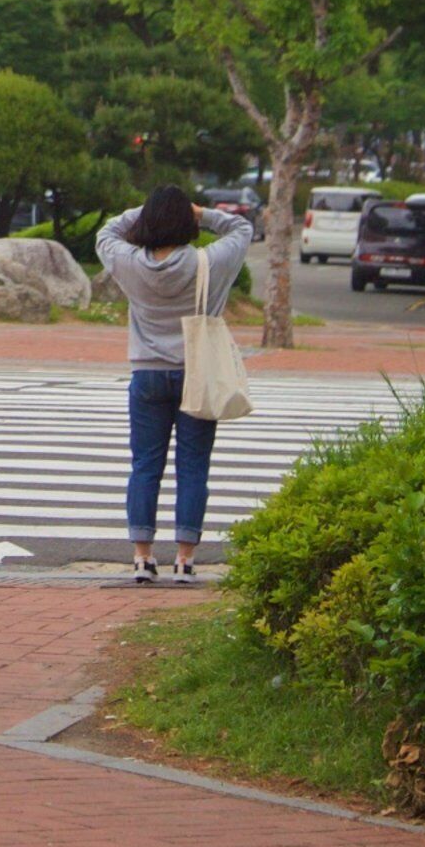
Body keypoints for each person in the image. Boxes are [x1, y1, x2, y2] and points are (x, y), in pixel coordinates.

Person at [96, 186, 254, 584]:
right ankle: (184, 560)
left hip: (147, 374)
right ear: (189, 222)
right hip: (197, 373)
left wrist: (147, 211)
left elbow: (107, 232)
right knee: (193, 468)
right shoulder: (208, 263)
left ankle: (142, 557)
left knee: (145, 465)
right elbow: (241, 228)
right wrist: (202, 213)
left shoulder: (129, 262)